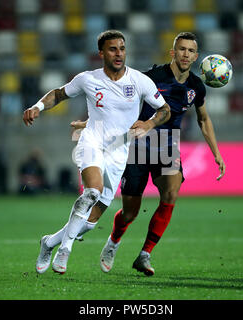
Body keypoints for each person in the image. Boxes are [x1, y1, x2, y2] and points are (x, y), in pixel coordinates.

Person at [72, 32, 226, 276]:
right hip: (138, 143)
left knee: (172, 192)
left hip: (167, 144)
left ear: (196, 57)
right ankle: (113, 242)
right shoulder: (151, 77)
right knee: (131, 211)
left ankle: (144, 254)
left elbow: (203, 119)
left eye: (191, 51)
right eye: (182, 49)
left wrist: (216, 153)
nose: (186, 54)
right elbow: (117, 102)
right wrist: (90, 124)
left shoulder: (196, 86)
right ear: (173, 52)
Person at [24, 30, 171, 275]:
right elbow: (59, 94)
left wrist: (149, 124)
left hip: (119, 151)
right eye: (113, 49)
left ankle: (49, 242)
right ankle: (65, 250)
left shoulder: (139, 81)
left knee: (90, 224)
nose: (119, 53)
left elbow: (164, 109)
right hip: (92, 140)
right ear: (101, 53)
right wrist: (38, 106)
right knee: (92, 191)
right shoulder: (87, 79)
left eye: (122, 48)